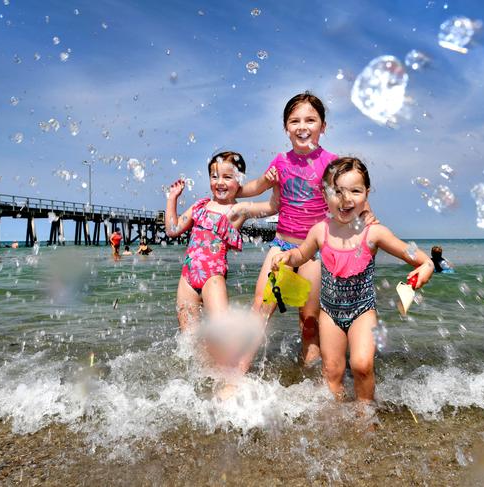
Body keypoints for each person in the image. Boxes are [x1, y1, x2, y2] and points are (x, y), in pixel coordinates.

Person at [271, 157, 433, 402]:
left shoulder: (374, 232)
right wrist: (286, 257)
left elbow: (411, 253)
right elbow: (301, 254)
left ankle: (365, 413)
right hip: (329, 314)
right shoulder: (320, 231)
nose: (346, 199)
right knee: (332, 371)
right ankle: (339, 418)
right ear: (324, 195)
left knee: (361, 365)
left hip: (362, 312)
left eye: (355, 191)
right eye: (337, 191)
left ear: (367, 193)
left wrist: (427, 265)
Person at [237, 92, 375, 366]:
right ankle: (238, 371)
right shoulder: (279, 162)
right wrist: (233, 190)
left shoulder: (333, 164)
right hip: (282, 246)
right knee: (260, 309)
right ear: (286, 128)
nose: (302, 126)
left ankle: (310, 381)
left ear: (323, 127)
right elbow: (257, 190)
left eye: (310, 120)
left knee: (309, 320)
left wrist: (370, 222)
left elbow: (356, 200)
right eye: (294, 120)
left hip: (314, 252)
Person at [165, 151, 279, 371]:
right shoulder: (199, 206)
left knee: (221, 336)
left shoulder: (238, 210)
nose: (220, 182)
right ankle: (205, 385)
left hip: (213, 279)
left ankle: (230, 378)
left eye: (228, 177)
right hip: (187, 280)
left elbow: (273, 206)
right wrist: (172, 199)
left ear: (240, 181)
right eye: (215, 176)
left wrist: (275, 182)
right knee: (191, 343)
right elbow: (173, 229)